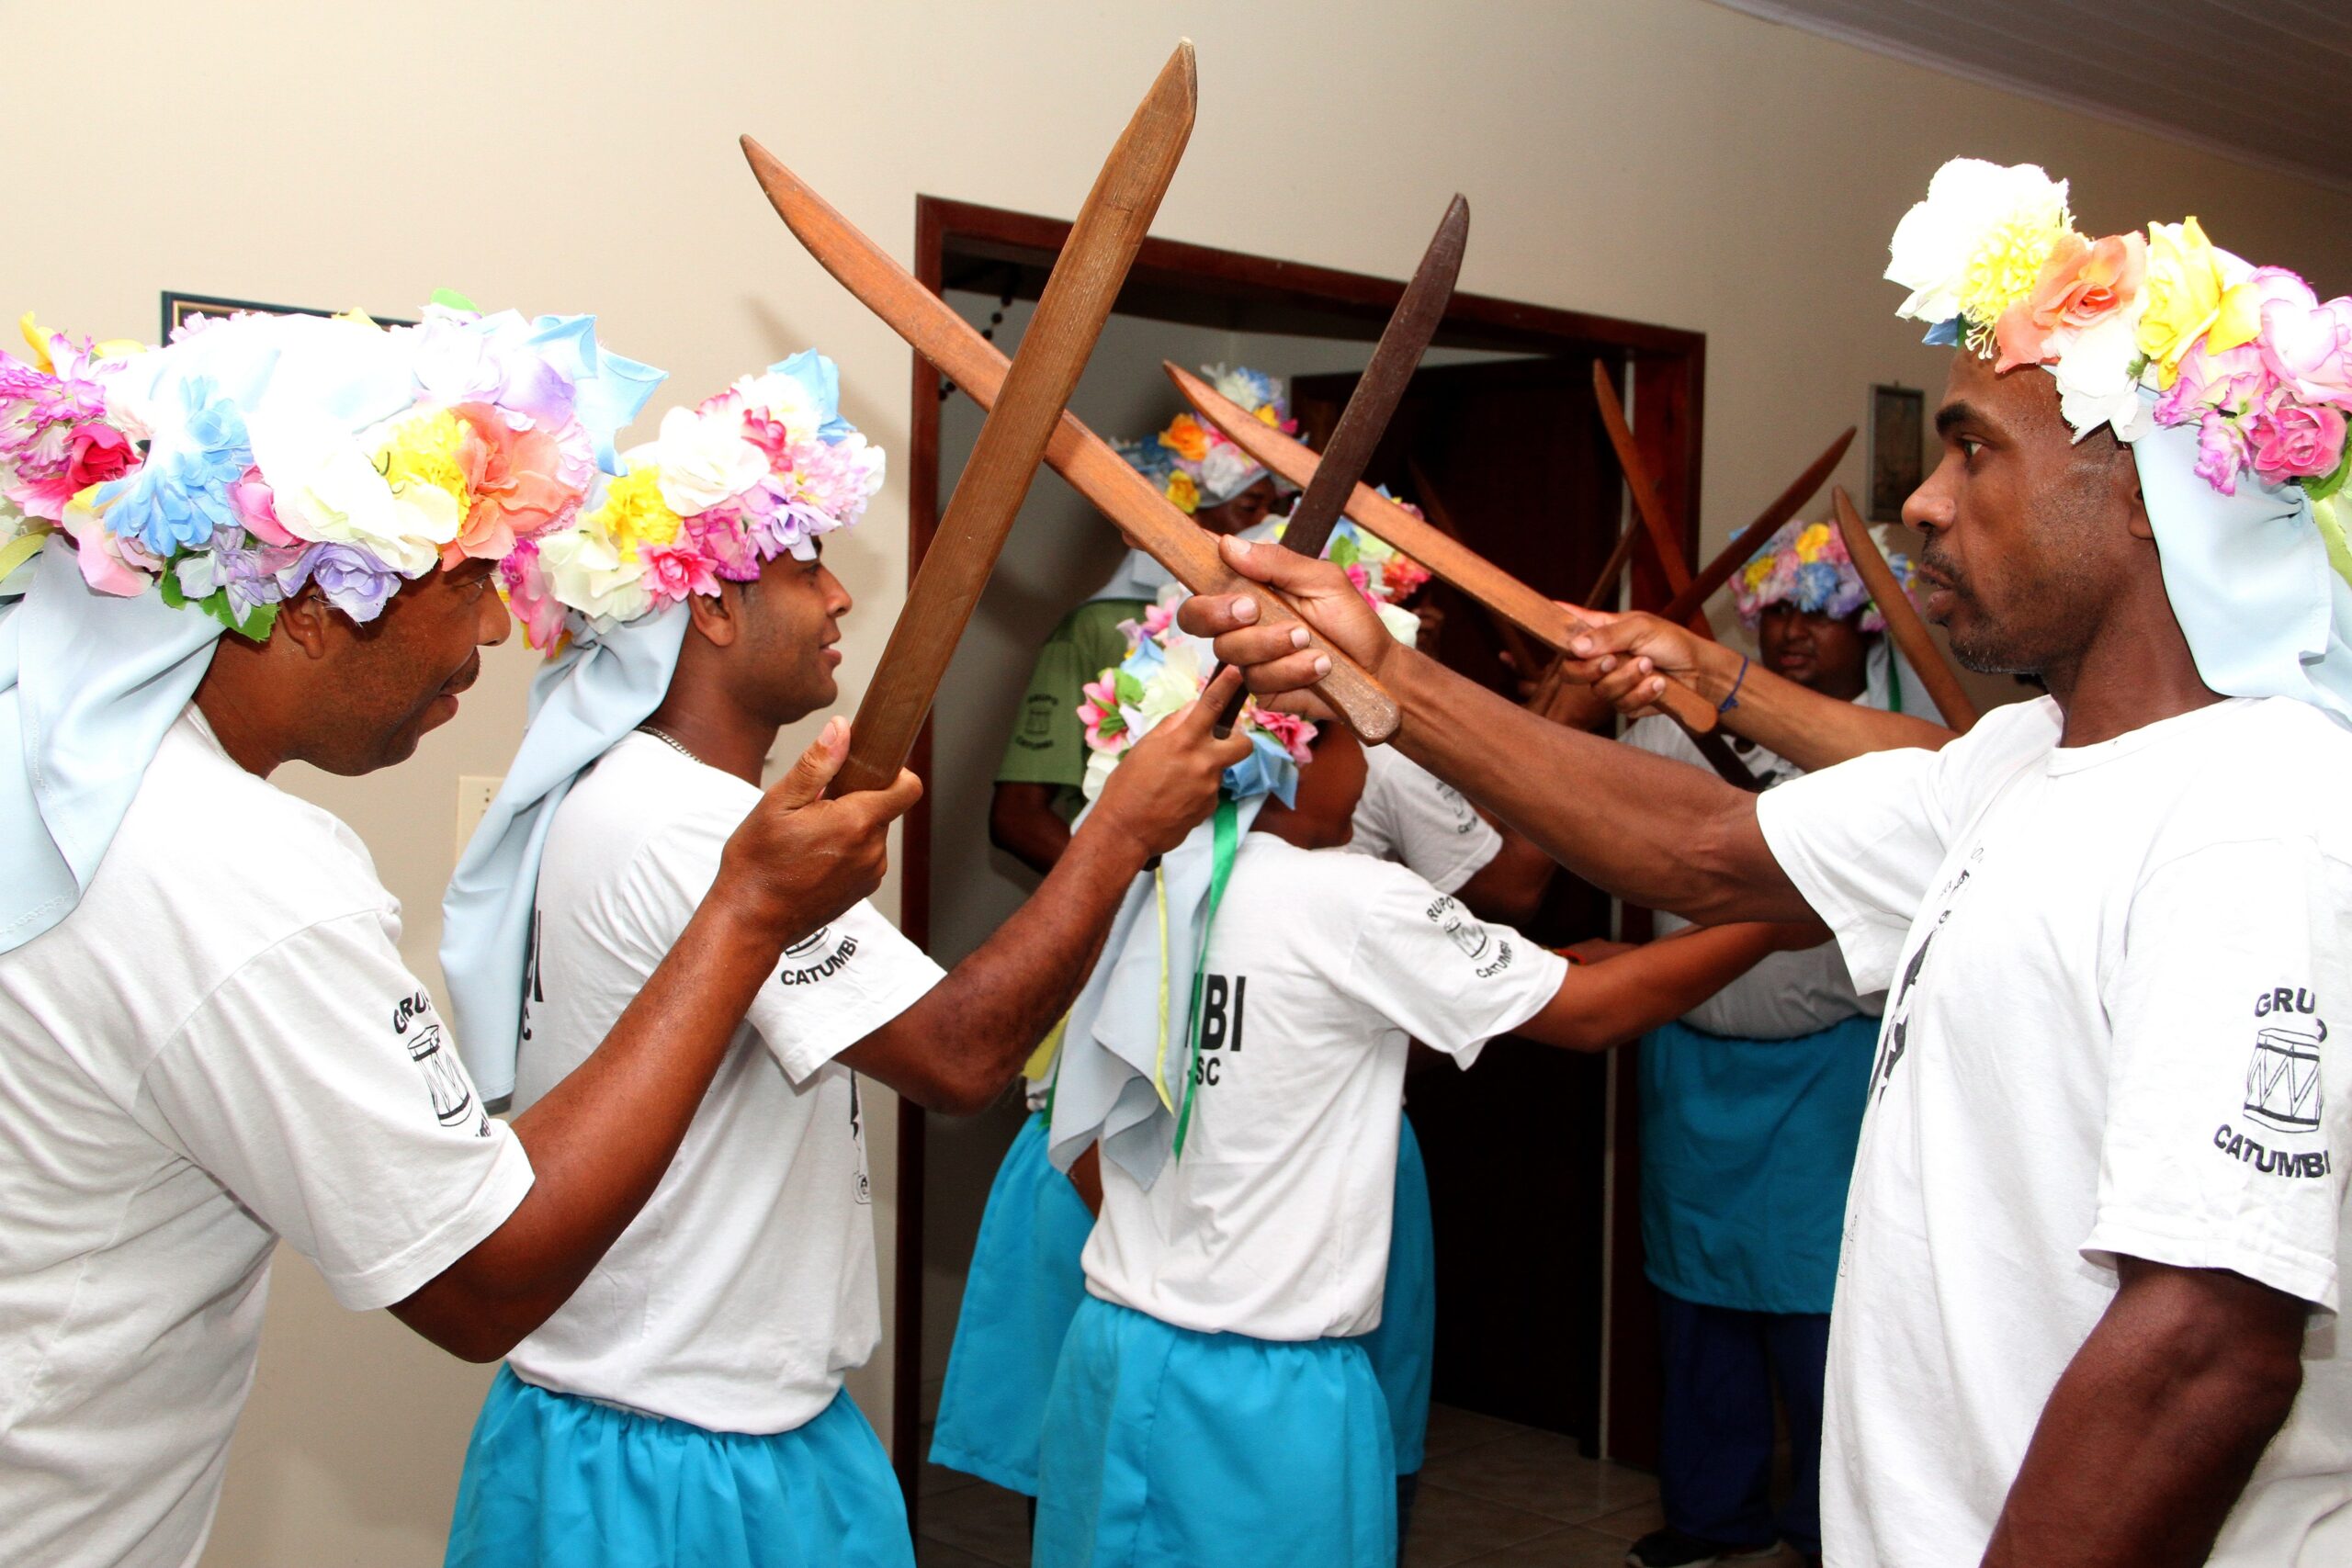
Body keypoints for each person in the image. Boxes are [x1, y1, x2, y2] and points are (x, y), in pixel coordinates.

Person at [1178, 159, 2352, 1567]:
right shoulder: (2018, 762)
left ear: (2151, 494)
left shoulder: (2259, 810)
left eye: (1975, 451)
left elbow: (2209, 1343)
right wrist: (1381, 675)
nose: (1919, 503)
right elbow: (1703, 842)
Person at [0, 305, 919, 1568]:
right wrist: (746, 910)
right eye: (470, 577)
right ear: (311, 603)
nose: (495, 630)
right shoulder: (228, 871)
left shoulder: (52, 779)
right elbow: (488, 1274)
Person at [434, 354, 1248, 1568]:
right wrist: (1122, 829)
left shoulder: (634, 793)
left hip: (688, 1411)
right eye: (807, 565)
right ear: (711, 607)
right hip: (677, 1450)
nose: (840, 600)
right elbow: (959, 1053)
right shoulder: (687, 825)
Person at [1029, 610, 1819, 1568]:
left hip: (1115, 1350)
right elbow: (1589, 1013)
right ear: (1306, 752)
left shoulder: (1129, 883)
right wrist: (1776, 916)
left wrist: (1178, 1256)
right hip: (1263, 1386)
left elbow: (1075, 1136)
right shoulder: (1349, 897)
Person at [930, 531, 1549, 1539]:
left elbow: (1507, 886)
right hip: (1181, 1275)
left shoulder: (1330, 854)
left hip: (1266, 1187)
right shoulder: (1170, 882)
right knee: (1135, 1459)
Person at [1619, 519, 1938, 1568]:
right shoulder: (1675, 724)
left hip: (1828, 1074)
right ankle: (1713, 1518)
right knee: (1697, 1300)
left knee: (1822, 1309)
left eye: (1828, 615)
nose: (1798, 635)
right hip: (1692, 1066)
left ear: (1870, 636)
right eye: (1782, 613)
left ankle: (1823, 1528)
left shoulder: (1905, 753)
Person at [989, 364, 1293, 873]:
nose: (1271, 526)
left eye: (1277, 507)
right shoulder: (1096, 628)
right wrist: (1116, 898)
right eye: (1251, 506)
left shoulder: (1278, 628)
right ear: (1190, 516)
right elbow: (1018, 816)